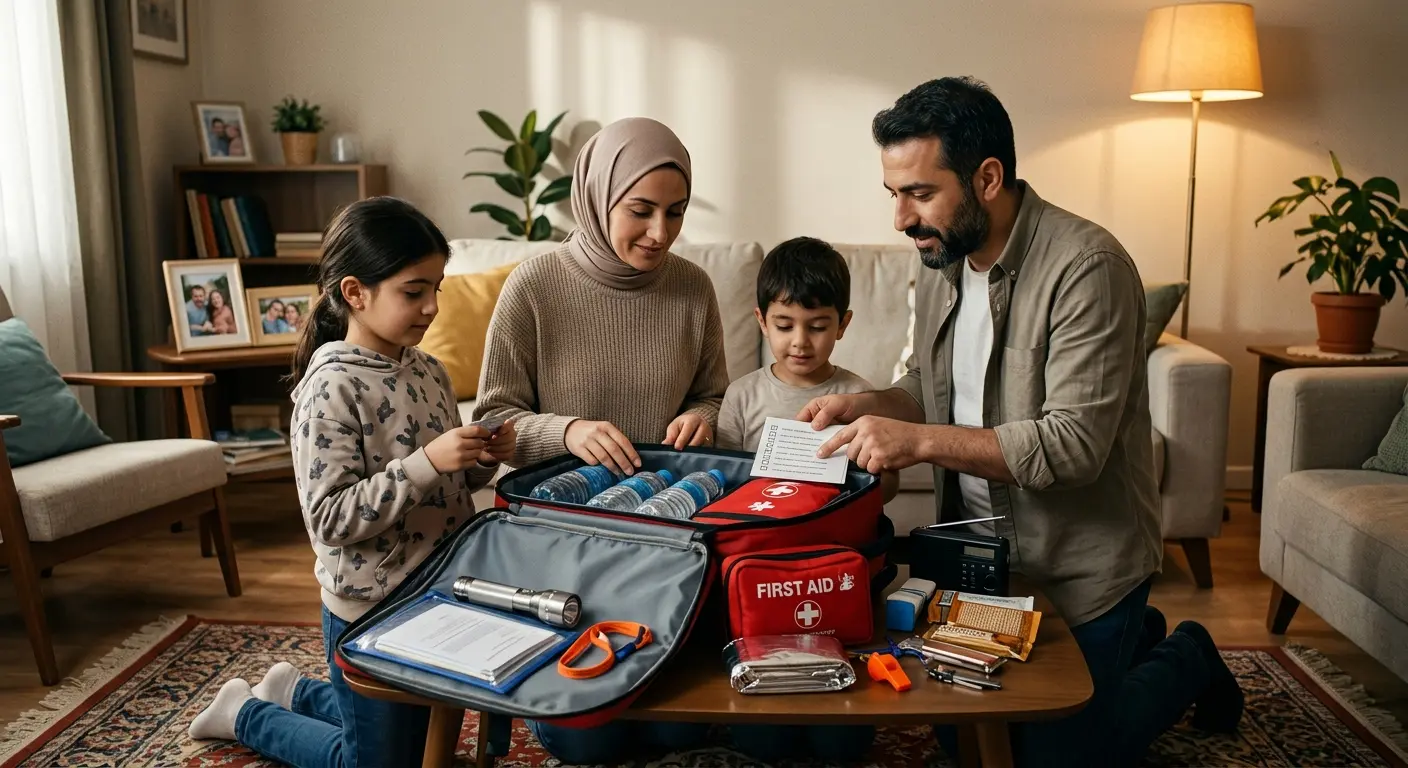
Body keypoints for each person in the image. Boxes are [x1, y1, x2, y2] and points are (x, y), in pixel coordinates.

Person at [798, 77, 1242, 767]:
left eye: (919, 193)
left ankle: (1187, 655)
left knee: (1053, 762)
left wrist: (915, 441)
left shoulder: (1086, 268)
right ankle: (1136, 637)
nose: (901, 219)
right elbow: (929, 385)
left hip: (1078, 567)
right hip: (981, 561)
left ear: (987, 177)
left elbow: (1072, 448)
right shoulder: (939, 259)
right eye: (894, 194)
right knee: (964, 742)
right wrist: (873, 407)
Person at [187, 197, 517, 767]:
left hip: (440, 595)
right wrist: (430, 461)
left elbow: (449, 485)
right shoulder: (329, 390)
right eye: (414, 292)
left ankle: (294, 690)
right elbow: (331, 519)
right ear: (354, 293)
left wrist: (482, 458)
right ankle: (245, 711)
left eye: (437, 288)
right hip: (370, 609)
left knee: (424, 745)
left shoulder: (429, 370)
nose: (432, 307)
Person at [472, 116, 728, 763]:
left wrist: (704, 415)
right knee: (581, 739)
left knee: (680, 728)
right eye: (641, 211)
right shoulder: (534, 286)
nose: (661, 233)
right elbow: (491, 424)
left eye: (676, 212)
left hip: (663, 532)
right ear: (595, 194)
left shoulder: (693, 288)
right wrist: (567, 431)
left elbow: (714, 393)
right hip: (561, 536)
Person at [714, 235, 883, 762]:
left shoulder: (859, 396)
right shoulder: (742, 395)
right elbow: (725, 488)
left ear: (844, 324)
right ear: (761, 321)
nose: (800, 342)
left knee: (846, 741)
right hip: (760, 561)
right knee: (760, 740)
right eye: (784, 326)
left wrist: (877, 466)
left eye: (818, 326)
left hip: (832, 560)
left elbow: (881, 493)